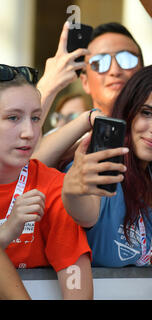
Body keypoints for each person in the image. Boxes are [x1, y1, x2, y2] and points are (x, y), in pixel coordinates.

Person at [60, 64, 152, 299]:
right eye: (147, 112)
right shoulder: (99, 166)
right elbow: (84, 211)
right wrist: (72, 191)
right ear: (128, 111)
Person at [0, 64, 92, 300]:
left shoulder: (53, 187)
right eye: (13, 118)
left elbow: (76, 282)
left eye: (36, 118)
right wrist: (5, 234)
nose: (29, 132)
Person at [33, 22, 144, 168]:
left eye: (127, 59)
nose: (115, 70)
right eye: (99, 62)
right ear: (85, 82)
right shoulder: (62, 139)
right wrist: (48, 86)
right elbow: (19, 170)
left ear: (143, 72)